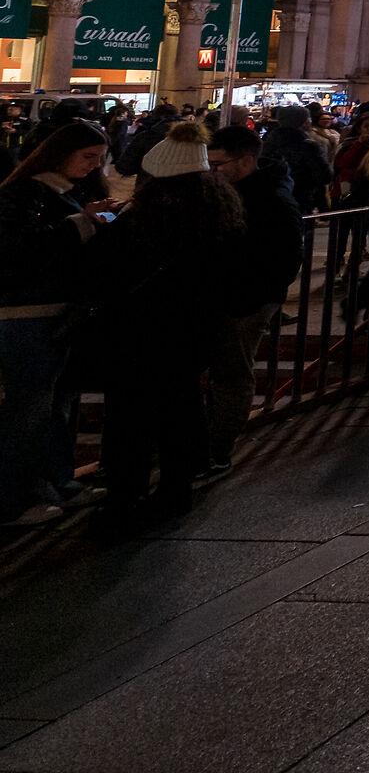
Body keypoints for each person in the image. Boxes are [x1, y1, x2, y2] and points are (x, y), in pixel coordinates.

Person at [99, 124, 243, 525]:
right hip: (194, 330)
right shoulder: (219, 212)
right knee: (180, 406)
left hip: (140, 330)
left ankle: (124, 496)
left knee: (132, 416)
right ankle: (176, 488)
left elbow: (109, 269)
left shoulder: (144, 218)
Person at [0, 120, 113, 525]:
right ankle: (12, 501)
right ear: (60, 152)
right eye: (88, 157)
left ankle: (52, 484)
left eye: (100, 159)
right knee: (29, 410)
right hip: (29, 315)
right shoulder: (27, 193)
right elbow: (18, 251)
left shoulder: (57, 192)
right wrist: (82, 224)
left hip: (53, 313)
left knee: (50, 409)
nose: (94, 166)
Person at [202, 125, 305, 471]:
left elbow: (288, 257)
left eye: (218, 165)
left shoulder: (271, 198)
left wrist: (256, 296)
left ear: (245, 161)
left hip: (247, 298)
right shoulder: (233, 190)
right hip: (224, 293)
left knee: (232, 372)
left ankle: (217, 448)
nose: (212, 172)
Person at [262, 105, 334, 216]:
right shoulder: (308, 146)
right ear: (303, 122)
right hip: (301, 199)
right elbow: (324, 176)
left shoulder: (268, 143)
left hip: (270, 198)